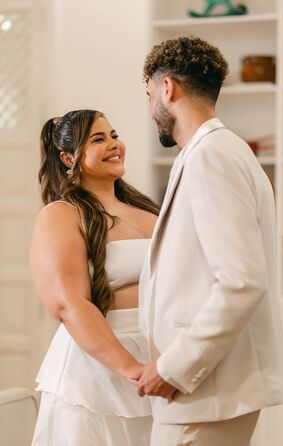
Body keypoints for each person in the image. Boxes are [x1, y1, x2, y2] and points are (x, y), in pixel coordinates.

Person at [137, 36, 283, 446]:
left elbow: (242, 281)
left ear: (167, 88)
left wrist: (173, 367)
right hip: (206, 396)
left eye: (149, 93)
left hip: (202, 395)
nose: (150, 106)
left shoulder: (212, 156)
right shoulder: (222, 150)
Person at [30, 109, 159, 446]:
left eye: (114, 135)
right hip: (96, 372)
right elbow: (69, 304)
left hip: (160, 361)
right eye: (98, 139)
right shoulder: (62, 215)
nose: (114, 144)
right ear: (69, 157)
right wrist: (131, 369)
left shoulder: (149, 210)